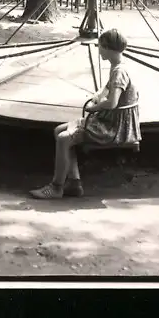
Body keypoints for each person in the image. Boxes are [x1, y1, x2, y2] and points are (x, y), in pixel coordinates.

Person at [30, 29, 141, 200]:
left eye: (101, 46)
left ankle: (56, 187)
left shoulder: (119, 72)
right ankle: (74, 183)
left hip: (114, 128)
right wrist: (98, 96)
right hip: (113, 121)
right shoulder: (119, 66)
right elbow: (107, 89)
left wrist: (94, 108)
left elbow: (112, 103)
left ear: (108, 48)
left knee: (63, 138)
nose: (99, 49)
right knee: (59, 130)